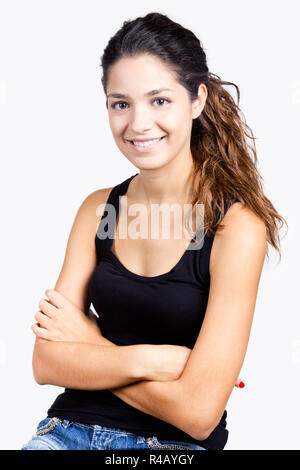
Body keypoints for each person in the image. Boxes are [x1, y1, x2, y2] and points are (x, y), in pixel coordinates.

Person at [21, 12, 287, 451]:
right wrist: (152, 359)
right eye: (120, 103)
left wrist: (90, 341)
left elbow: (199, 414)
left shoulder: (236, 227)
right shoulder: (97, 209)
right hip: (67, 431)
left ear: (197, 100)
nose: (138, 123)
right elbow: (45, 361)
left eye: (159, 100)